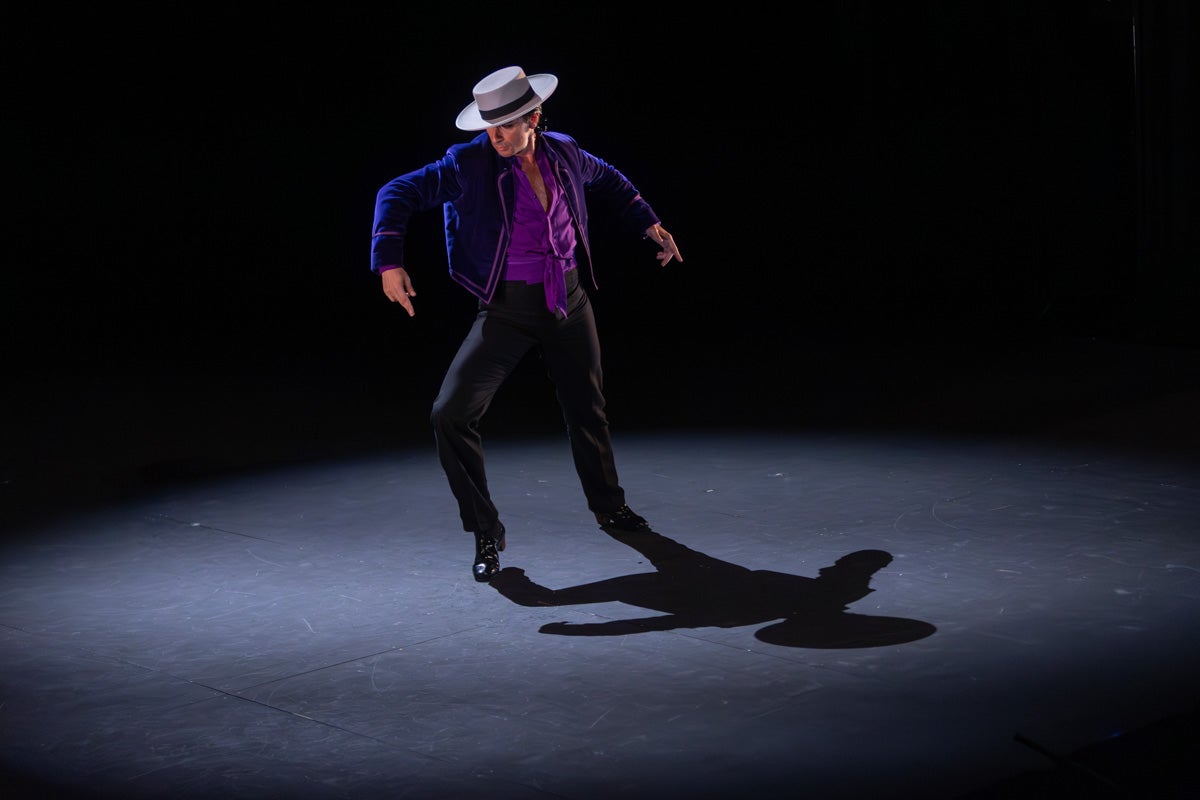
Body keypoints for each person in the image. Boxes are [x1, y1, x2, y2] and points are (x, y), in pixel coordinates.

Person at [370, 66, 684, 583]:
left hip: (569, 298)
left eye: (506, 126)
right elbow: (396, 192)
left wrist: (648, 220)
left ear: (533, 119)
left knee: (588, 410)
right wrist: (388, 262)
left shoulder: (564, 152)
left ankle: (610, 507)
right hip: (508, 308)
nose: (495, 137)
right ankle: (485, 530)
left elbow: (608, 177)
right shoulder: (467, 162)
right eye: (489, 127)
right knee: (450, 414)